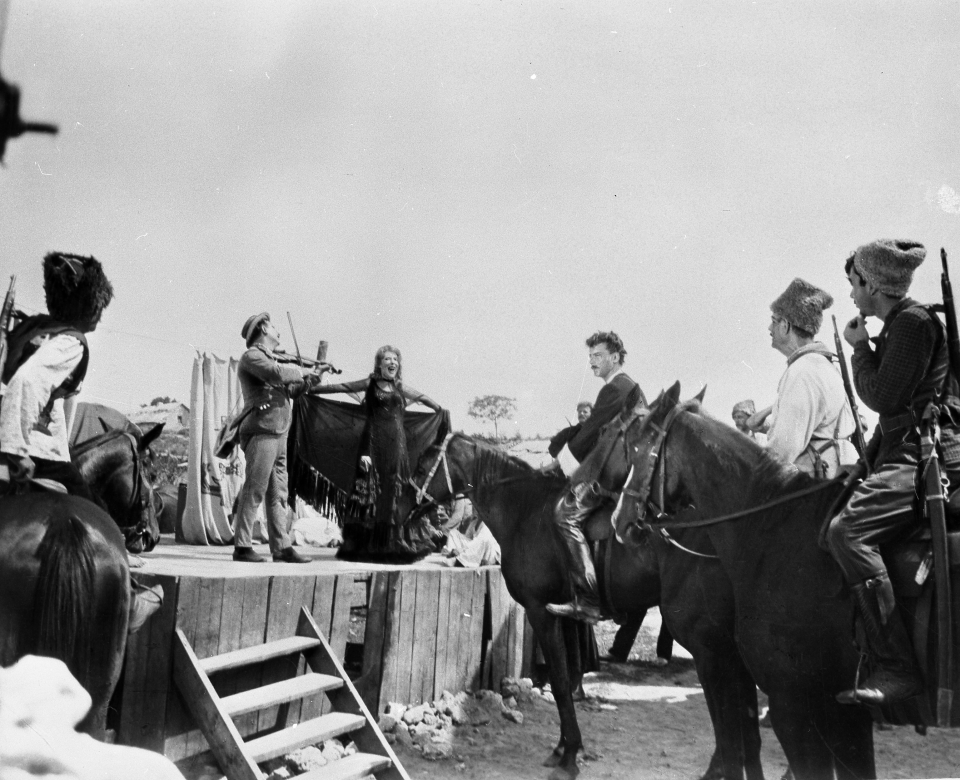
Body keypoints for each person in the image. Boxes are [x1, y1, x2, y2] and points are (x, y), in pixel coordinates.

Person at [826, 240, 960, 705]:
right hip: (904, 449)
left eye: (854, 283)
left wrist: (860, 349)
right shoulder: (904, 323)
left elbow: (883, 397)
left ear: (873, 284)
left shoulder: (912, 323)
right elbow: (895, 413)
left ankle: (898, 670)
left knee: (847, 533)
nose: (851, 294)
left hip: (925, 458)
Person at [0, 252, 161, 633]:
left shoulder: (30, 329)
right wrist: (15, 449)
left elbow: (37, 395)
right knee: (98, 515)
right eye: (99, 308)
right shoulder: (72, 342)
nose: (100, 317)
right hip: (30, 450)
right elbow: (27, 384)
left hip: (24, 437)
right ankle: (129, 600)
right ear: (90, 306)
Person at [544, 331, 646, 624]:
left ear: (615, 357)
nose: (592, 362)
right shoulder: (629, 387)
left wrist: (557, 464)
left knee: (564, 515)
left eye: (598, 356)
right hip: (627, 469)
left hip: (616, 475)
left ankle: (588, 600)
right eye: (590, 356)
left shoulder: (615, 389)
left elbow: (590, 434)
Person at [309, 345, 444, 561]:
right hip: (373, 445)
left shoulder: (400, 387)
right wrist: (312, 389)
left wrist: (440, 410)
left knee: (394, 491)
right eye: (387, 359)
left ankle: (392, 543)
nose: (392, 362)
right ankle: (370, 544)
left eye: (395, 359)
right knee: (371, 492)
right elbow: (341, 387)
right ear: (379, 364)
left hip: (397, 447)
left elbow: (423, 398)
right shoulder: (369, 384)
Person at [233, 312, 330, 563]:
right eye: (274, 326)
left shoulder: (271, 359)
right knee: (255, 488)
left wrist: (313, 378)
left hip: (278, 431)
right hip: (262, 430)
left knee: (279, 494)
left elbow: (293, 390)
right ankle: (242, 546)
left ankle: (282, 547)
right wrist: (304, 370)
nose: (278, 330)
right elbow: (276, 373)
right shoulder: (252, 356)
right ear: (264, 329)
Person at [750, 278, 858, 478]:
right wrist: (768, 427)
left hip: (817, 483)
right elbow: (818, 429)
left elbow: (782, 449)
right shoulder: (820, 365)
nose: (769, 328)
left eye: (774, 321)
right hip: (834, 476)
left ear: (785, 325)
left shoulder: (802, 371)